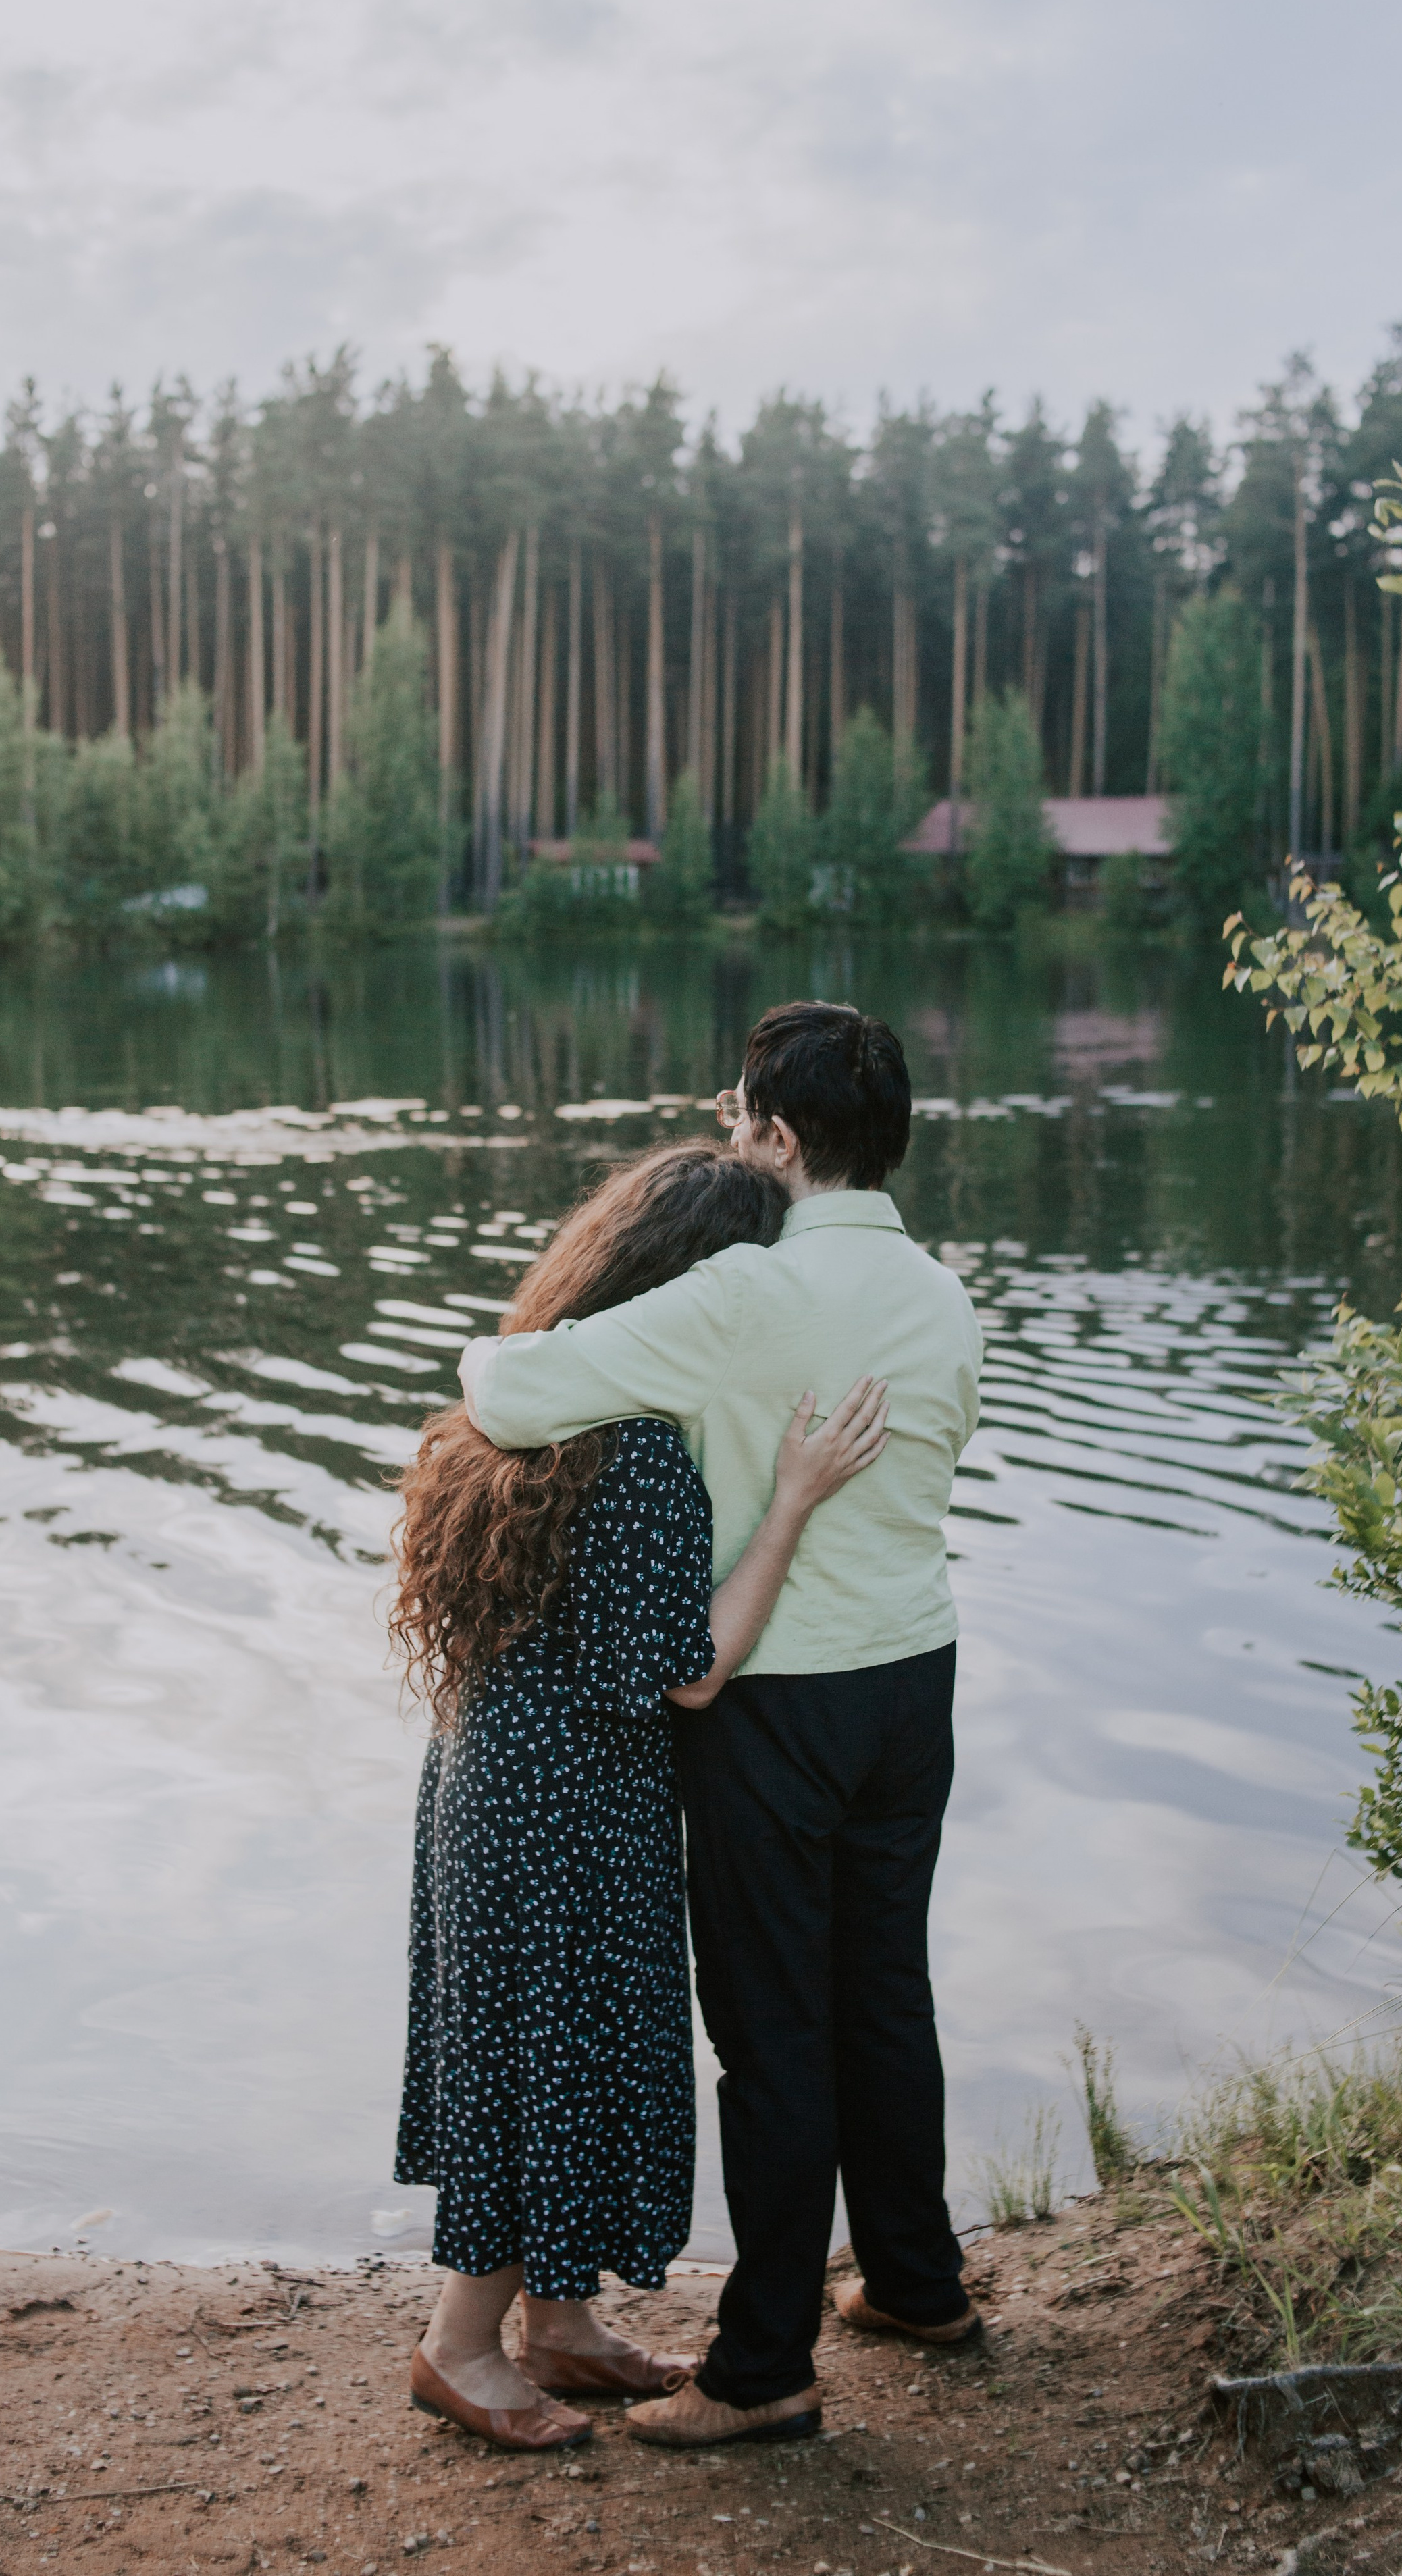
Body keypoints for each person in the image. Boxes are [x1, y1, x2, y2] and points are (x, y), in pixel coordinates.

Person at [461, 1001, 985, 2450]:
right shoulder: (945, 1300)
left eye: (736, 1113)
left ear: (773, 1135)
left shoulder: (743, 1296)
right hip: (914, 1685)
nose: (728, 1130)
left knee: (771, 2034)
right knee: (885, 1992)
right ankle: (919, 2285)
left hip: (774, 1706)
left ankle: (762, 2372)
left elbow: (505, 1390)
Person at [391, 1137, 893, 2454]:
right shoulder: (643, 1461)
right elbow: (691, 1676)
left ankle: (556, 2328)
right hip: (569, 1813)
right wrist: (789, 1502)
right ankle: (459, 2348)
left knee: (538, 2050)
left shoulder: (527, 1413)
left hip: (490, 1784)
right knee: (546, 2060)